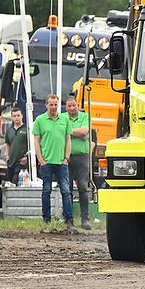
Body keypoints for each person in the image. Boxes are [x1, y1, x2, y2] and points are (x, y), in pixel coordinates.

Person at [32, 94, 77, 232]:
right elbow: (36, 140)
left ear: (59, 105)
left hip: (61, 162)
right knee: (46, 190)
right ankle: (46, 219)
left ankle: (69, 220)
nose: (53, 107)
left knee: (66, 191)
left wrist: (66, 158)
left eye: (55, 105)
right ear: (46, 105)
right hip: (47, 162)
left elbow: (68, 139)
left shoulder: (64, 119)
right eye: (51, 105)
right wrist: (40, 159)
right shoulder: (40, 120)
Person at [61, 96, 92, 230]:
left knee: (83, 187)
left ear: (77, 105)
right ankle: (68, 218)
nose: (72, 108)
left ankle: (85, 219)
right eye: (69, 106)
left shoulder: (85, 116)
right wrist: (78, 133)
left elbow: (85, 131)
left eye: (74, 105)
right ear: (65, 107)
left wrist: (68, 132)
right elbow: (59, 132)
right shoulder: (62, 118)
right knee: (67, 189)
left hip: (82, 157)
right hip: (66, 157)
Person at [5, 107, 29, 185]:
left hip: (21, 161)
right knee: (10, 182)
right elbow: (7, 143)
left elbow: (30, 145)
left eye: (18, 115)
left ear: (22, 116)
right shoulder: (9, 131)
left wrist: (26, 157)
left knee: (17, 180)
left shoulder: (26, 130)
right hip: (11, 161)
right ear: (12, 118)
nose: (16, 118)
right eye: (14, 116)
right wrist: (7, 156)